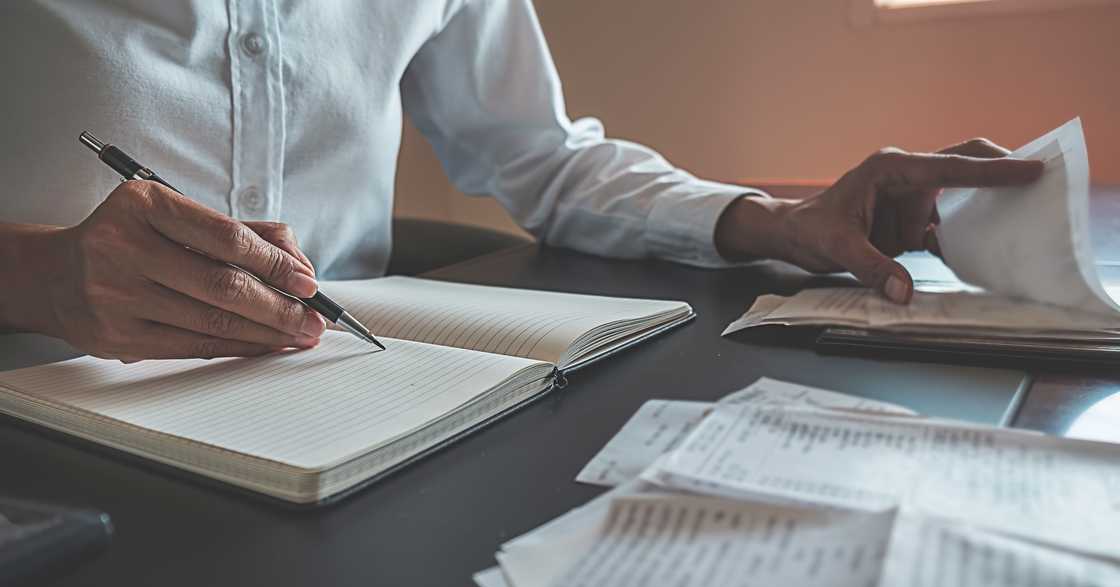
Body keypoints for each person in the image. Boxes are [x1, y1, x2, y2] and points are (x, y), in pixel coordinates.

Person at [0, 1, 1041, 363]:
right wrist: (38, 277)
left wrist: (774, 220)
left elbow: (539, 153)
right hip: (35, 417)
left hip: (337, 398)